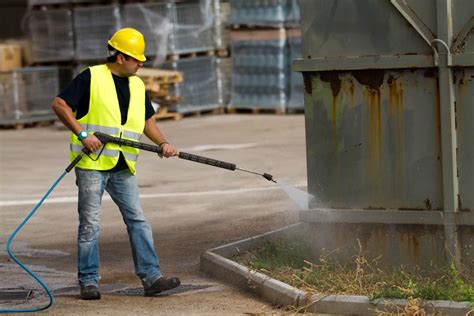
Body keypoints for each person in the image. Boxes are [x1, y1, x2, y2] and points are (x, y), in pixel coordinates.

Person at [52, 28, 180, 300]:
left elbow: (147, 121)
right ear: (121, 57)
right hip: (92, 164)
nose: (141, 64)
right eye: (136, 59)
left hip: (123, 165)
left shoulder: (137, 84)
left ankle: (152, 277)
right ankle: (88, 281)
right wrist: (83, 134)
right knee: (90, 224)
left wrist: (162, 143)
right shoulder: (92, 77)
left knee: (138, 220)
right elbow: (60, 104)